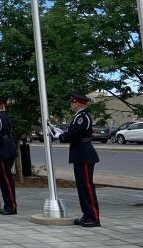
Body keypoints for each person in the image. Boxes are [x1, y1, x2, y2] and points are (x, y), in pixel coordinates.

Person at [51, 94, 100, 228]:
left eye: (73, 103)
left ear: (78, 104)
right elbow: (73, 133)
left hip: (84, 154)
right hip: (80, 154)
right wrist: (61, 134)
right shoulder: (79, 117)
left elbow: (75, 134)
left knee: (87, 187)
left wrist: (61, 136)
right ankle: (87, 214)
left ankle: (94, 217)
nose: (71, 105)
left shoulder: (82, 117)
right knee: (82, 187)